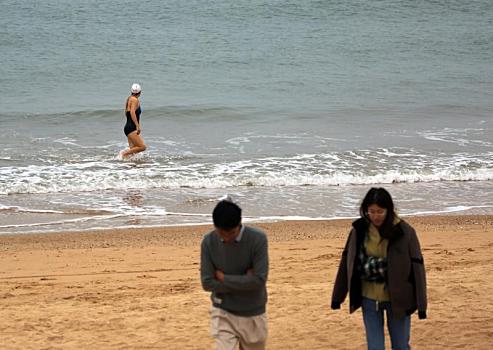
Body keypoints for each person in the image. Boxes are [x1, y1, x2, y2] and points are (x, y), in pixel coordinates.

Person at [331, 187, 427, 350]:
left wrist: (422, 305)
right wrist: (338, 297)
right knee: (375, 347)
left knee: (401, 345)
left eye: (380, 212)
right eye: (371, 211)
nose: (375, 216)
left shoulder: (405, 232)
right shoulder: (358, 231)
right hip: (369, 298)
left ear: (388, 210)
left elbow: (418, 269)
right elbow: (346, 262)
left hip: (397, 299)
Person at [200, 199, 269, 350]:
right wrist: (245, 280)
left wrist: (224, 278)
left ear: (240, 224)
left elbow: (258, 281)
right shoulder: (208, 242)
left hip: (253, 313)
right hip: (223, 311)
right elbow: (207, 283)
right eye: (221, 233)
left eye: (231, 233)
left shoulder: (258, 239)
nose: (226, 238)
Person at [122, 83, 146, 157]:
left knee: (132, 153)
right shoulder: (135, 100)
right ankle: (123, 154)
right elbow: (132, 112)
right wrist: (137, 126)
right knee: (142, 147)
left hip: (128, 127)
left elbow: (126, 113)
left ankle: (130, 166)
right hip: (131, 128)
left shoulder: (129, 99)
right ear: (140, 92)